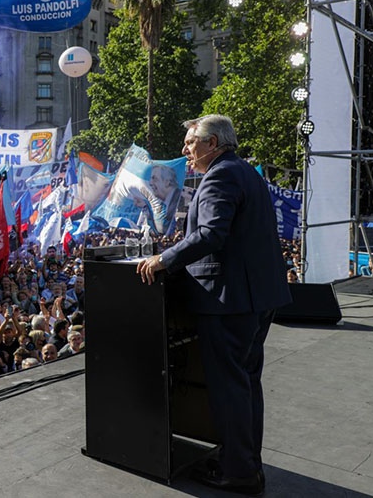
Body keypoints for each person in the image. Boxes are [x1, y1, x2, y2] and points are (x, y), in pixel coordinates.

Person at [137, 114, 290, 496]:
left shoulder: (220, 175)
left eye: (190, 142)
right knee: (246, 384)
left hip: (228, 299)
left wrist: (164, 259)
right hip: (255, 296)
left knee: (230, 388)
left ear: (213, 143)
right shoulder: (244, 171)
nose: (185, 150)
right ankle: (245, 462)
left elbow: (210, 234)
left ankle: (239, 472)